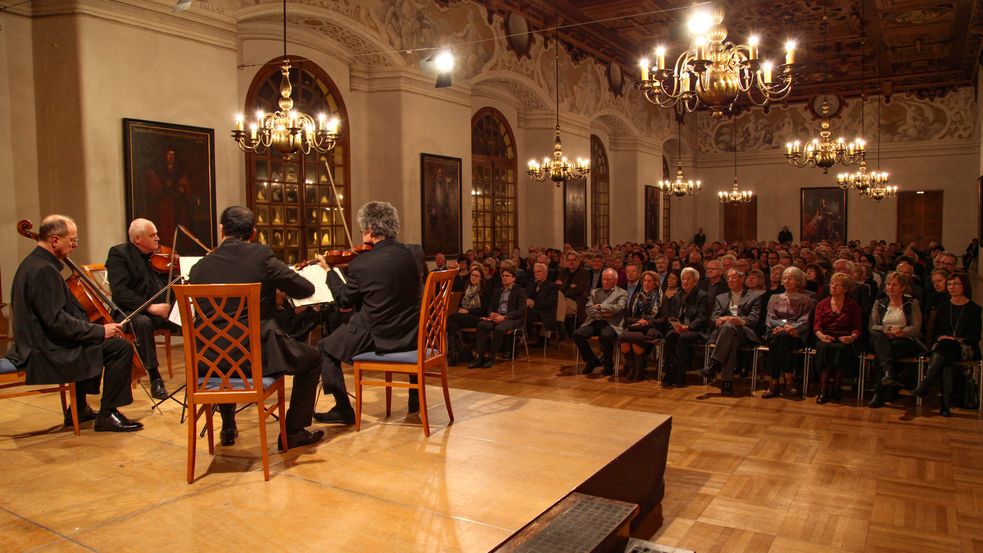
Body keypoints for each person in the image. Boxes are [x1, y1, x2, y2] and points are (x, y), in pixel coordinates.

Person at [189, 206, 323, 449]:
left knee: (225, 344)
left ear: (221, 231)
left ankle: (228, 424)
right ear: (252, 232)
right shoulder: (260, 256)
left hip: (208, 361)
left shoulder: (199, 269)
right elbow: (305, 289)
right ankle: (292, 431)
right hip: (254, 358)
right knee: (313, 358)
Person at [6, 215, 142, 432]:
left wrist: (93, 331)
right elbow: (57, 321)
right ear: (55, 240)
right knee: (119, 348)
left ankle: (78, 409)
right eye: (72, 241)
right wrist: (100, 330)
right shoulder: (44, 270)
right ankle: (108, 414)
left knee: (92, 340)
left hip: (39, 342)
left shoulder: (34, 263)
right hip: (43, 350)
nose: (74, 246)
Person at [316, 201, 422, 422]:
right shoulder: (412, 254)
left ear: (370, 230)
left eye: (363, 229)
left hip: (380, 336)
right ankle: (415, 398)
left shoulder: (363, 264)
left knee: (324, 348)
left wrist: (330, 271)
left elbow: (344, 299)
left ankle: (343, 409)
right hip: (412, 334)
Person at [105, 218, 175, 400]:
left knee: (191, 319)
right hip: (129, 311)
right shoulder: (119, 254)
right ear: (137, 238)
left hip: (159, 309)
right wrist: (150, 307)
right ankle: (155, 378)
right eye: (153, 235)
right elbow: (120, 292)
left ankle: (202, 372)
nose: (158, 239)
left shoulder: (156, 257)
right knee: (143, 324)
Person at [913, 272, 981, 416]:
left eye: (956, 284)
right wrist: (944, 338)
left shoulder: (974, 309)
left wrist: (955, 340)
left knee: (946, 347)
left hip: (965, 347)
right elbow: (936, 331)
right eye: (949, 284)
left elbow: (975, 336)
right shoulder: (943, 307)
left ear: (964, 286)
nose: (952, 287)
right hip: (944, 348)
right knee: (946, 358)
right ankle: (944, 405)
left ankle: (926, 384)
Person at [867, 272, 925, 408]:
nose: (890, 287)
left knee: (880, 355)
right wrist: (888, 330)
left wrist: (900, 332)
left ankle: (879, 392)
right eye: (888, 284)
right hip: (882, 337)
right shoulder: (879, 302)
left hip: (904, 339)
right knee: (879, 339)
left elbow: (916, 328)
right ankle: (889, 374)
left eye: (894, 285)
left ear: (903, 287)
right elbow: (872, 326)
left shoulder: (912, 303)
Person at [703, 269, 763, 396]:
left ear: (742, 279)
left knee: (730, 329)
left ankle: (714, 364)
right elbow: (714, 317)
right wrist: (721, 319)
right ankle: (726, 382)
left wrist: (738, 320)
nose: (730, 280)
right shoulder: (721, 297)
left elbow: (753, 319)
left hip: (744, 332)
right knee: (730, 337)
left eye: (734, 277)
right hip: (725, 333)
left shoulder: (754, 297)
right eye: (728, 277)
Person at [762, 267, 815, 399]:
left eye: (790, 278)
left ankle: (773, 382)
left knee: (780, 340)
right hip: (775, 331)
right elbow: (770, 318)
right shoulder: (774, 298)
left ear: (798, 281)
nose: (786, 281)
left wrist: (789, 328)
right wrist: (784, 325)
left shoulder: (805, 300)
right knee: (779, 339)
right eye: (784, 278)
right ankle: (788, 378)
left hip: (795, 334)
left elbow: (804, 321)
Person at [812, 273, 862, 404]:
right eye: (832, 283)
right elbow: (816, 326)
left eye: (837, 284)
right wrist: (822, 336)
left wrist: (852, 337)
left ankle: (836, 388)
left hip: (844, 337)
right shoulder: (822, 304)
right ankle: (823, 389)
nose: (833, 286)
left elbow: (857, 327)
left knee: (841, 350)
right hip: (825, 336)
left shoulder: (852, 305)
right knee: (824, 349)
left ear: (845, 289)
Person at [659, 267, 708, 388]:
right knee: (670, 336)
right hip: (679, 328)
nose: (685, 281)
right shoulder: (678, 295)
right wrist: (676, 324)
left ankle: (680, 375)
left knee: (683, 338)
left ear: (695, 281)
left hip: (695, 330)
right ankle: (668, 372)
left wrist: (688, 326)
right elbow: (672, 314)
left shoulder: (702, 296)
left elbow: (702, 318)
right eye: (683, 279)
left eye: (688, 279)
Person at [573, 268, 627, 376]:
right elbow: (589, 309)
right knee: (577, 334)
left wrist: (601, 306)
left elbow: (619, 308)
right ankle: (592, 360)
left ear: (615, 281)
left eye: (608, 279)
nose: (605, 282)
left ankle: (608, 365)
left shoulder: (622, 293)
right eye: (604, 279)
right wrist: (604, 313)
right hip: (595, 321)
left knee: (605, 336)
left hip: (612, 323)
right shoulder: (595, 292)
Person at [470, 266, 526, 367]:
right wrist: (491, 313)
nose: (504, 278)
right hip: (497, 316)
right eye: (503, 276)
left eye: (507, 276)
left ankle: (491, 358)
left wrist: (504, 317)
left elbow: (520, 311)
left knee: (499, 329)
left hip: (511, 318)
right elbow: (490, 306)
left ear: (514, 278)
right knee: (481, 325)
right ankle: (480, 358)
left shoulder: (520, 291)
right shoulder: (497, 290)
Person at [618, 270, 663, 381]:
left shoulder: (662, 298)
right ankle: (632, 367)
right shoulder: (636, 296)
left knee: (635, 338)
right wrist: (638, 321)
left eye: (649, 281)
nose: (646, 284)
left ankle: (639, 370)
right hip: (636, 325)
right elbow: (627, 317)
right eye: (645, 281)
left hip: (652, 327)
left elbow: (663, 319)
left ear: (655, 283)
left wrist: (647, 322)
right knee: (623, 337)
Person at [447, 265, 488, 365]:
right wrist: (462, 311)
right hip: (464, 318)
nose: (473, 278)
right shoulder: (466, 289)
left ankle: (455, 352)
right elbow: (460, 305)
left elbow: (483, 310)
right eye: (472, 275)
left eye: (476, 276)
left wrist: (468, 311)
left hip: (478, 317)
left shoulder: (484, 291)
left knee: (452, 317)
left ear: (481, 278)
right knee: (453, 325)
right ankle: (454, 354)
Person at [525, 262, 558, 347]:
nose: (536, 274)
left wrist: (534, 303)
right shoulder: (531, 284)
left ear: (545, 272)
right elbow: (524, 296)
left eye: (539, 271)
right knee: (519, 312)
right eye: (535, 272)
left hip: (545, 313)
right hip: (530, 311)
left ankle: (522, 336)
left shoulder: (552, 286)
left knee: (525, 314)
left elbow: (550, 302)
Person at [555, 251, 590, 328]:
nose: (571, 262)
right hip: (563, 301)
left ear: (579, 261)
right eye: (569, 260)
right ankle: (560, 326)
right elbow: (556, 287)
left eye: (574, 260)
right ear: (566, 262)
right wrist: (569, 286)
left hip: (576, 301)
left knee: (553, 306)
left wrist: (563, 287)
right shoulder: (563, 271)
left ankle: (557, 328)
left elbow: (580, 289)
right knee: (553, 305)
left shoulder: (584, 272)